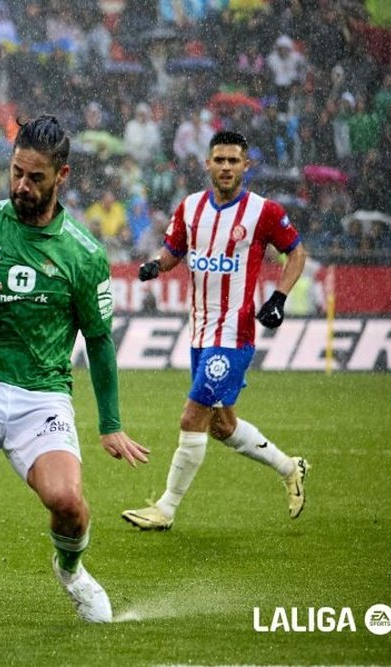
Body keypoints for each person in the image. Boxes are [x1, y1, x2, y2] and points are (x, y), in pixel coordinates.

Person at [0, 115, 150, 626]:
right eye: (16, 172)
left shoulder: (83, 253)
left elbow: (100, 342)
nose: (21, 185)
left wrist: (110, 423)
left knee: (69, 504)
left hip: (43, 395)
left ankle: (72, 572)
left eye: (35, 177)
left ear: (63, 177)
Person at [121, 131, 310, 532]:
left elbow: (297, 252)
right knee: (222, 426)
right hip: (200, 333)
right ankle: (289, 467)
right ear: (207, 164)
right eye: (219, 160)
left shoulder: (265, 212)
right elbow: (173, 254)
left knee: (192, 417)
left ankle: (165, 508)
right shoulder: (190, 208)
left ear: (246, 166)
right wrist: (156, 265)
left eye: (233, 161)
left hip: (234, 335)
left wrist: (279, 297)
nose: (226, 167)